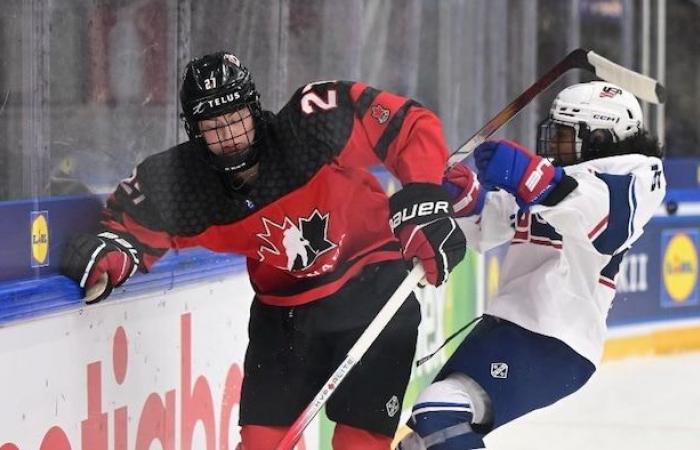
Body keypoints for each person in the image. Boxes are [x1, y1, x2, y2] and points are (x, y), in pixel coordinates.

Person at [59, 51, 466, 450]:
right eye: (214, 127)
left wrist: (424, 198)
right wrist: (112, 253)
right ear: (193, 132)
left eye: (237, 119)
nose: (231, 137)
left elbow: (407, 124)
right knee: (261, 444)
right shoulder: (183, 184)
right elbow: (127, 230)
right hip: (285, 314)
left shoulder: (311, 124)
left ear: (255, 109)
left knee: (360, 442)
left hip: (374, 289)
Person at [398, 81, 666, 449]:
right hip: (510, 326)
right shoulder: (553, 179)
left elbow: (605, 225)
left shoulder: (637, 174)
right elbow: (488, 229)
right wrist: (465, 199)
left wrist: (535, 178)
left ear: (601, 138)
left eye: (565, 136)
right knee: (425, 437)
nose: (554, 146)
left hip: (556, 338)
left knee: (442, 410)